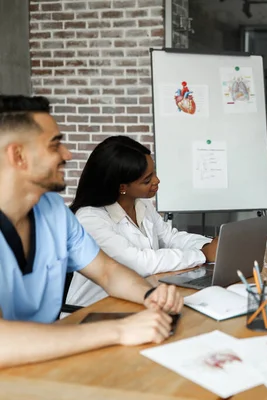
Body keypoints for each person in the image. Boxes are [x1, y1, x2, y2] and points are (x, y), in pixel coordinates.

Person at [0, 95, 183, 368]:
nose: (68, 154)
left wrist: (149, 296)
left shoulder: (53, 210)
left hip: (50, 360)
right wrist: (119, 330)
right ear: (19, 156)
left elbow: (107, 271)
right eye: (55, 145)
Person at [67, 136, 217, 308]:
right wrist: (202, 254)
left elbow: (169, 238)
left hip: (135, 300)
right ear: (122, 187)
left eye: (154, 172)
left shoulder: (141, 204)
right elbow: (138, 262)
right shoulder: (90, 219)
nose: (156, 181)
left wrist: (208, 245)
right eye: (147, 179)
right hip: (94, 309)